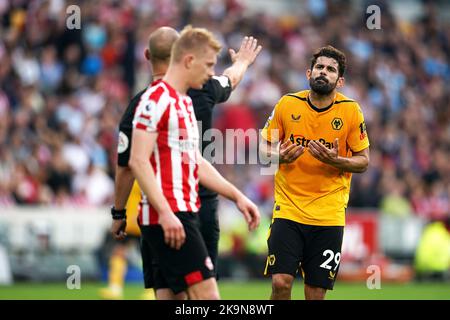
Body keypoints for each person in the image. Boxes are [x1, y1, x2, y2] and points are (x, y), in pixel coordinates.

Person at [109, 26, 261, 300]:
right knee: (207, 297)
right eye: (208, 65)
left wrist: (237, 196)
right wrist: (165, 212)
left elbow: (194, 160)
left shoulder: (182, 103)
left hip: (184, 212)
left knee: (178, 298)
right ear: (188, 60)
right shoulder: (154, 101)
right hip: (169, 213)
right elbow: (137, 162)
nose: (210, 73)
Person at [260, 45, 370, 300]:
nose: (324, 72)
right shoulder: (287, 104)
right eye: (319, 67)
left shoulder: (351, 111)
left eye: (331, 70)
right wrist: (277, 156)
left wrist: (336, 160)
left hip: (328, 214)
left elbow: (364, 161)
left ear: (339, 81)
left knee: (315, 292)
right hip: (288, 209)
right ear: (309, 72)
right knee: (281, 282)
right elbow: (262, 148)